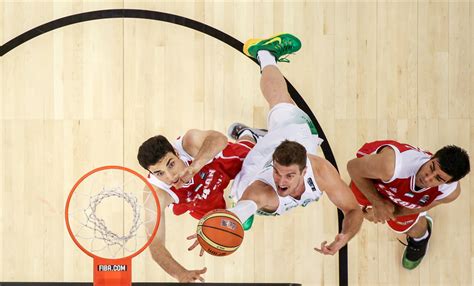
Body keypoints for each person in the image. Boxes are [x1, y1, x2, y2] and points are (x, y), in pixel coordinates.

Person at [189, 33, 363, 256]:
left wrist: (346, 236)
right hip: (253, 174)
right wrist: (222, 224)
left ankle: (263, 62)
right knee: (244, 204)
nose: (280, 181)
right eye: (278, 172)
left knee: (284, 104)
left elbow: (352, 210)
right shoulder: (262, 189)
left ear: (305, 170)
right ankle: (264, 58)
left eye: (289, 176)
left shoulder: (321, 171)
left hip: (293, 135)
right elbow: (247, 206)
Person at [137, 127, 265, 282]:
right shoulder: (156, 193)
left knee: (255, 160)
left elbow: (220, 139)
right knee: (232, 224)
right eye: (160, 173)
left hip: (215, 167)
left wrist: (195, 167)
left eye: (171, 164)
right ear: (152, 174)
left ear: (177, 154)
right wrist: (180, 273)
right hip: (198, 198)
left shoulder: (188, 142)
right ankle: (237, 202)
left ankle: (247, 134)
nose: (171, 176)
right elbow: (155, 245)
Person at [347, 140, 470, 269]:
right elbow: (353, 168)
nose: (427, 178)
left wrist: (385, 213)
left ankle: (421, 239)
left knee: (414, 229)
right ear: (431, 157)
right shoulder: (391, 165)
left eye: (438, 179)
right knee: (350, 201)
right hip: (377, 180)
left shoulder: (449, 193)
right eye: (431, 167)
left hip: (404, 199)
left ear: (448, 182)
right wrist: (378, 203)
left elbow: (420, 207)